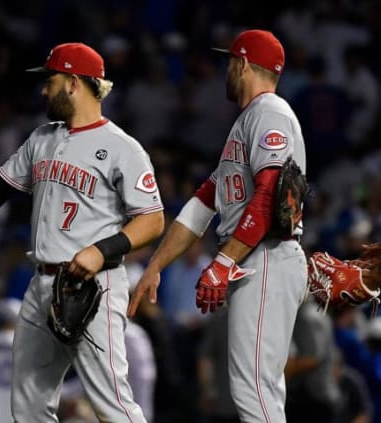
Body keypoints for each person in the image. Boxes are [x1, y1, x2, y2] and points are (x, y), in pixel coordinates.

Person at [0, 42, 165, 422]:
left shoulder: (122, 148)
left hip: (95, 284)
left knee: (112, 405)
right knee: (28, 405)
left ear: (73, 82)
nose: (43, 89)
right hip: (42, 282)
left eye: (50, 79)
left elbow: (152, 219)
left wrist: (102, 249)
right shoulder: (42, 138)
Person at [129, 29, 307, 422]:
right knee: (252, 387)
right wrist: (155, 267)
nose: (226, 69)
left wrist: (223, 261)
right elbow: (202, 203)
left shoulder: (270, 112)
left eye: (230, 61)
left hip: (267, 256)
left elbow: (269, 193)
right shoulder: (248, 122)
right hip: (256, 257)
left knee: (254, 388)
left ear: (242, 63)